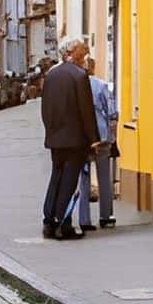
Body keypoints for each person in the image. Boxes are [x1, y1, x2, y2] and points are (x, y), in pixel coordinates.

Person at [39, 36, 100, 241]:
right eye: (82, 50)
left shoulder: (51, 76)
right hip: (75, 140)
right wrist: (94, 139)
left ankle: (48, 221)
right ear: (71, 52)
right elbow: (86, 111)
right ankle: (62, 224)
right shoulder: (79, 75)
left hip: (55, 138)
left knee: (56, 177)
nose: (85, 55)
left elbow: (45, 109)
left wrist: (50, 131)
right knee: (69, 181)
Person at [75, 56, 117, 231]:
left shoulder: (75, 86)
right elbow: (112, 111)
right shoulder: (101, 85)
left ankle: (84, 219)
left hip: (82, 136)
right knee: (104, 177)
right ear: (92, 68)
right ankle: (105, 216)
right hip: (101, 135)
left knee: (83, 177)